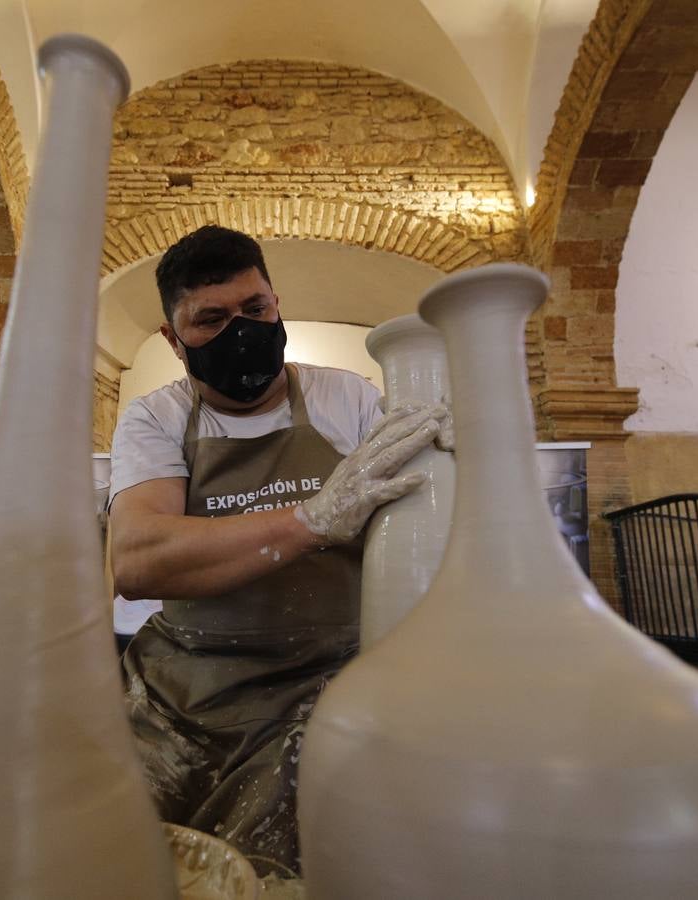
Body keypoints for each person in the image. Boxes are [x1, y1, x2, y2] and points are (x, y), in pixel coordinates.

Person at [108, 225, 445, 874]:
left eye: (255, 310)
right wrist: (314, 518)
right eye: (211, 319)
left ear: (276, 303)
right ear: (173, 341)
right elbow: (140, 558)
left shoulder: (346, 398)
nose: (241, 330)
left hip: (328, 672)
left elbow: (424, 526)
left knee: (315, 833)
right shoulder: (156, 418)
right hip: (189, 675)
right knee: (115, 839)